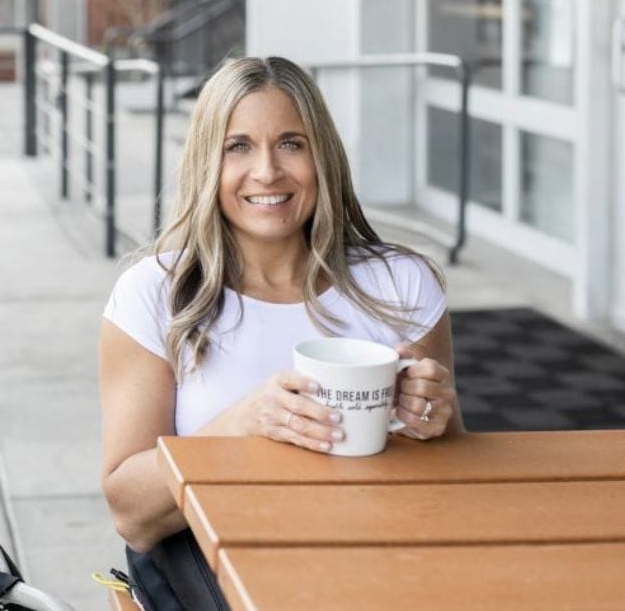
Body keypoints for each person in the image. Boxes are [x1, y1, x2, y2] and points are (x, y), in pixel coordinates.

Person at [99, 56, 462, 608]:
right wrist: (240, 426)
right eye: (238, 146)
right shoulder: (154, 294)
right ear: (205, 164)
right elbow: (131, 513)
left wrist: (431, 417)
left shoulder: (402, 283)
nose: (267, 171)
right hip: (229, 576)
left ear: (323, 158)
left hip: (381, 568)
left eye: (291, 143)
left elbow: (454, 471)